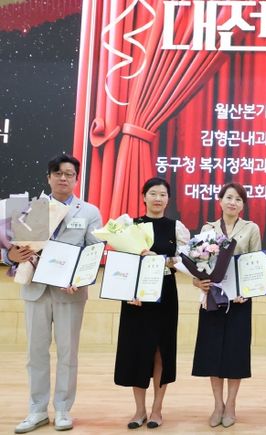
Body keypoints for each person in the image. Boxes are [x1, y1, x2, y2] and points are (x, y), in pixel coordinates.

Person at [3, 154, 102, 433]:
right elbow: (13, 250)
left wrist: (79, 278)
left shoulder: (89, 212)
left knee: (68, 353)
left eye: (69, 174)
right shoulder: (30, 208)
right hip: (36, 289)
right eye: (57, 173)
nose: (63, 178)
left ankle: (62, 409)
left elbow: (93, 251)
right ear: (48, 177)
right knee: (35, 353)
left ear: (76, 179)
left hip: (70, 292)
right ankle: (36, 410)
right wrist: (10, 256)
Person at [113, 177, 189, 430]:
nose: (158, 198)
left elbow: (184, 262)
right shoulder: (130, 227)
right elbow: (123, 264)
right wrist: (129, 291)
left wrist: (162, 260)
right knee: (137, 350)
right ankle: (139, 410)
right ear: (143, 196)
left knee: (161, 350)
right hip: (135, 297)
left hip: (165, 295)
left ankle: (157, 409)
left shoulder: (176, 227)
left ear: (168, 199)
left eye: (163, 194)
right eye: (153, 193)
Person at [191, 183, 261, 428]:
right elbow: (199, 266)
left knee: (235, 353)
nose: (233, 202)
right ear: (220, 201)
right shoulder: (207, 229)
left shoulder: (251, 228)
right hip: (212, 300)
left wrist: (247, 292)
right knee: (212, 352)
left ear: (243, 205)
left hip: (239, 301)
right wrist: (198, 282)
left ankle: (231, 404)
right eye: (229, 197)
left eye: (238, 199)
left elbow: (255, 264)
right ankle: (217, 404)